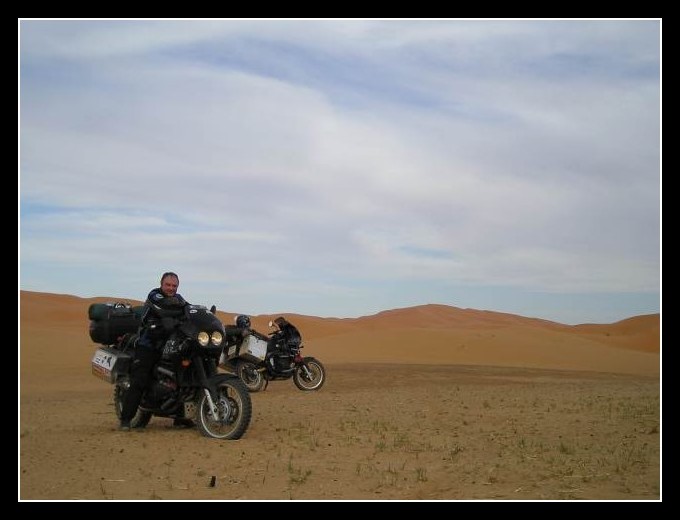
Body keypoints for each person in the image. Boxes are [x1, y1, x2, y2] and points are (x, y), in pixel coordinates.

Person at [119, 272, 190, 431]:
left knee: (182, 376)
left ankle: (180, 417)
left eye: (174, 286)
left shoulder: (179, 299)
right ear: (161, 284)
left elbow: (188, 309)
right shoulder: (154, 295)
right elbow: (167, 307)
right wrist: (182, 311)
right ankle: (126, 419)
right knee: (140, 379)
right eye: (168, 285)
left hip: (170, 344)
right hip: (149, 343)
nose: (171, 288)